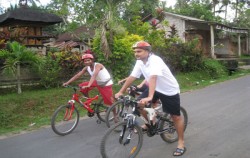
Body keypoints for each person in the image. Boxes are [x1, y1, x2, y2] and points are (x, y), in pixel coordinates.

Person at [115, 41, 186, 156]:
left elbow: (153, 77)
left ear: (148, 51)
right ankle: (151, 122)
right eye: (135, 52)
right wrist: (120, 91)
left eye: (139, 51)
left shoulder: (155, 60)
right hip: (156, 88)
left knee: (175, 117)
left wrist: (150, 97)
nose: (136, 54)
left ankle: (181, 142)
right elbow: (133, 76)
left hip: (169, 90)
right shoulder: (140, 62)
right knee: (139, 104)